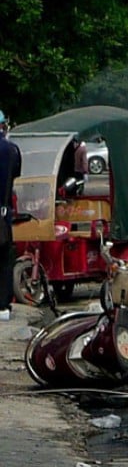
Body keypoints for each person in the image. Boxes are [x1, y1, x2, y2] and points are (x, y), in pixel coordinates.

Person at [0, 110, 22, 321]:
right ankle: (3, 306)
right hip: (3, 215)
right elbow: (15, 175)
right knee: (5, 259)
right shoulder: (11, 150)